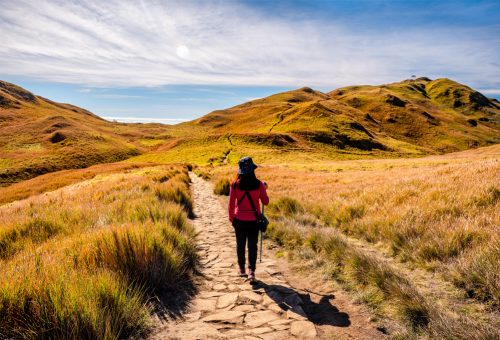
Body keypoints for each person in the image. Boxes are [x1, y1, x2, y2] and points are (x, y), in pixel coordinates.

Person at [228, 156, 269, 283]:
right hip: (253, 221)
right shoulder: (259, 184)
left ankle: (242, 270)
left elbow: (230, 205)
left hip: (239, 220)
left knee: (240, 245)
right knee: (252, 246)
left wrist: (232, 219)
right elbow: (266, 202)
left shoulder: (234, 185)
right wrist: (264, 188)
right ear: (252, 170)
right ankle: (251, 272)